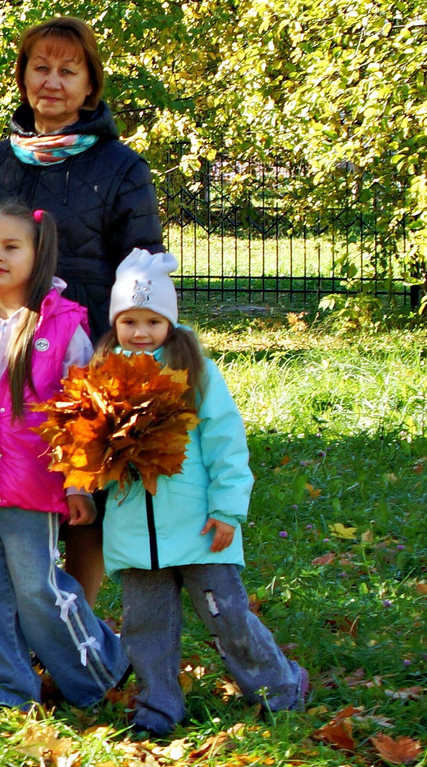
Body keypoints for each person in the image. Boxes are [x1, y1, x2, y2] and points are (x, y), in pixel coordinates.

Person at [0, 17, 164, 599]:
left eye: (69, 70)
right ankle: (18, 615)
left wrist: (132, 359)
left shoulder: (121, 169)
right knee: (12, 481)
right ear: (22, 78)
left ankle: (77, 622)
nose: (53, 82)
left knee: (79, 491)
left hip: (85, 353)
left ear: (90, 85)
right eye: (41, 68)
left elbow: (144, 270)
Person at [99, 250, 309, 736]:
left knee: (228, 615)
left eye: (153, 320)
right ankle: (158, 709)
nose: (141, 331)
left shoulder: (196, 374)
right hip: (135, 533)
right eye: (129, 320)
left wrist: (227, 510)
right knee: (146, 629)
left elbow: (225, 444)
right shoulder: (102, 377)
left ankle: (280, 686)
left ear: (169, 322)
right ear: (116, 323)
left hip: (198, 526)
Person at [0, 204, 126, 710]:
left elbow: (83, 412)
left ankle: (100, 669)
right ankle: (8, 689)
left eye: (11, 246)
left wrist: (79, 482)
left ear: (37, 253)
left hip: (31, 483)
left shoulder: (61, 326)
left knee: (37, 590)